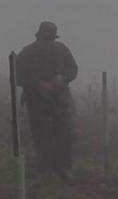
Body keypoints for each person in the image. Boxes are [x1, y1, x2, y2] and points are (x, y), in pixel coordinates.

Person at [18, 21, 79, 180]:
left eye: (51, 39)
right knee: (41, 134)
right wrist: (38, 84)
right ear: (39, 37)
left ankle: (64, 168)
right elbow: (17, 77)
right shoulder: (27, 53)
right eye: (46, 39)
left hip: (60, 98)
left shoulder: (62, 50)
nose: (48, 42)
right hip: (36, 100)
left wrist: (63, 77)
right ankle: (44, 169)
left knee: (64, 133)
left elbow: (73, 69)